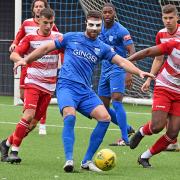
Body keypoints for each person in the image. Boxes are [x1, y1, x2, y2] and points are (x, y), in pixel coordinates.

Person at [13, 10, 154, 172]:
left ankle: (86, 161)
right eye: (91, 25)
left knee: (105, 117)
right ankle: (69, 160)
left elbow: (121, 62)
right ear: (86, 23)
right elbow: (45, 48)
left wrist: (139, 72)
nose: (94, 28)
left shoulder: (103, 47)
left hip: (85, 91)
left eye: (97, 25)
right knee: (70, 116)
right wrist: (25, 60)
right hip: (66, 86)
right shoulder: (71, 37)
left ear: (101, 27)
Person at [0, 8, 63, 163]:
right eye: (45, 22)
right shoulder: (30, 37)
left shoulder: (58, 38)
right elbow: (14, 54)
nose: (48, 26)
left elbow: (65, 53)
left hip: (49, 86)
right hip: (33, 82)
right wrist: (19, 60)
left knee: (33, 123)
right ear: (39, 21)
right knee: (28, 115)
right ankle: (14, 151)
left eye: (51, 22)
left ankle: (6, 143)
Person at [9, 0, 59, 135]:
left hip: (44, 68)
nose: (38, 9)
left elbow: (58, 42)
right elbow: (18, 37)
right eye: (36, 6)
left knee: (42, 94)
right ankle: (28, 119)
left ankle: (41, 123)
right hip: (27, 64)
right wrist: (14, 45)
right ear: (33, 9)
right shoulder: (27, 23)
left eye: (41, 6)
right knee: (22, 95)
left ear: (45, 9)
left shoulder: (50, 26)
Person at [128, 38, 180, 168]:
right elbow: (149, 52)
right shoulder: (174, 44)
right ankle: (141, 132)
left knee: (173, 132)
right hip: (164, 87)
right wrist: (127, 61)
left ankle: (145, 157)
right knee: (157, 126)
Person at [139, 4, 180, 152]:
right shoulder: (161, 34)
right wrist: (149, 79)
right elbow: (158, 59)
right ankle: (170, 140)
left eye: (171, 17)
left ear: (177, 17)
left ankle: (172, 140)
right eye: (165, 18)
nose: (168, 21)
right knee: (160, 122)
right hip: (167, 80)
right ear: (162, 18)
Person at [98, 3, 136, 146]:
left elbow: (131, 50)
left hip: (118, 69)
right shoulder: (99, 28)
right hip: (105, 70)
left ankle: (124, 138)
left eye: (110, 12)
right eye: (105, 12)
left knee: (117, 100)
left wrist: (129, 72)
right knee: (103, 107)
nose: (107, 15)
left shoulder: (121, 30)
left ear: (115, 13)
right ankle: (127, 129)